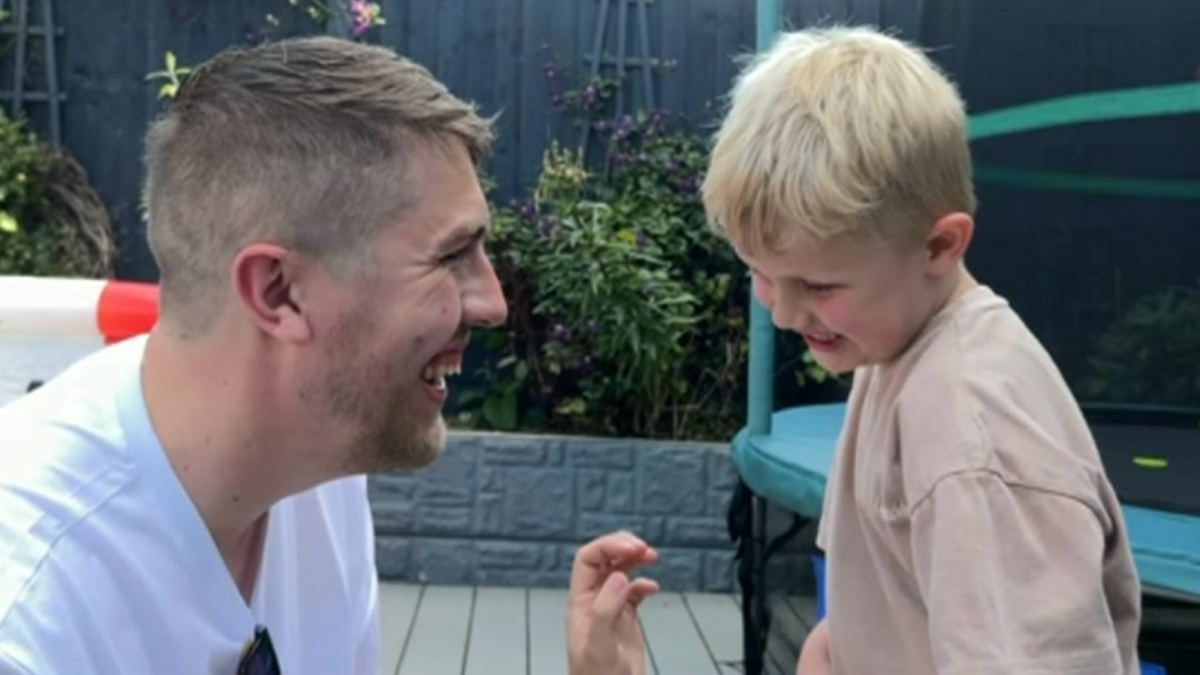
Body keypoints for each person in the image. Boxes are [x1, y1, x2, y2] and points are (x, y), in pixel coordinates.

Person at [0, 35, 508, 673]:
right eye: (451, 256)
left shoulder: (318, 463)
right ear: (279, 292)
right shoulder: (28, 621)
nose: (494, 303)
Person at [693, 24, 1142, 675]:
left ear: (938, 246)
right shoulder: (894, 347)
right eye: (759, 271)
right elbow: (852, 627)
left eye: (818, 284)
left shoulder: (972, 437)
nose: (784, 311)